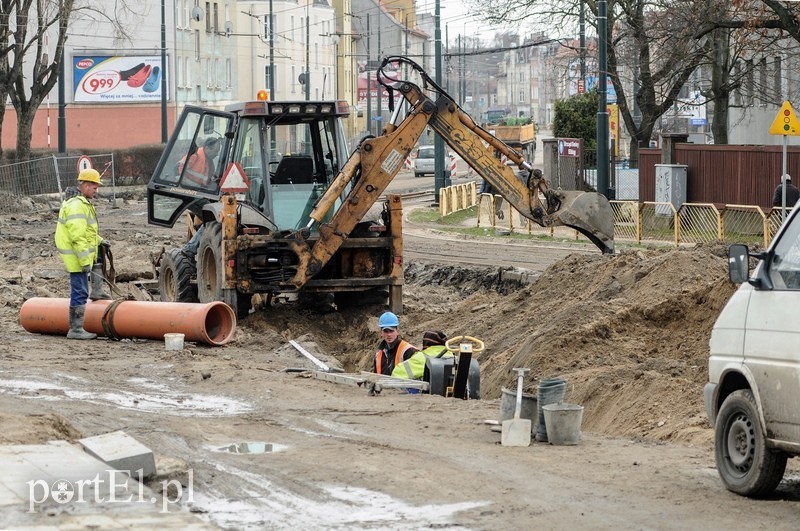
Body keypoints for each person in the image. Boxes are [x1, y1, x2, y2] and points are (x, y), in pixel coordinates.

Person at [54, 169, 109, 340]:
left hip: (79, 253)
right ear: (85, 185)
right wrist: (85, 261)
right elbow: (77, 237)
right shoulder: (77, 205)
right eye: (94, 186)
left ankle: (97, 291)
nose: (96, 190)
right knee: (80, 290)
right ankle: (76, 329)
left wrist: (100, 240)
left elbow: (87, 231)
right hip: (75, 255)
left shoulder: (82, 203)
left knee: (99, 254)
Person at [373, 311, 419, 376]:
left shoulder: (408, 351)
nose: (389, 334)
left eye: (391, 331)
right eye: (386, 331)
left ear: (397, 332)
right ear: (381, 333)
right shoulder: (378, 355)